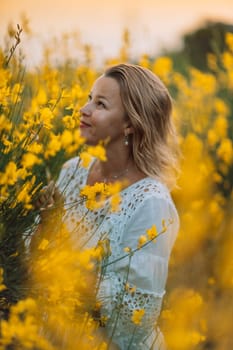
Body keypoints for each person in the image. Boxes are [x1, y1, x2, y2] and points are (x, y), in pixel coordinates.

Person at [36, 63, 179, 349]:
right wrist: (46, 223)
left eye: (100, 104)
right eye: (89, 98)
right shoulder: (72, 170)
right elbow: (35, 264)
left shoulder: (151, 203)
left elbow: (131, 324)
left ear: (130, 123)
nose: (84, 109)